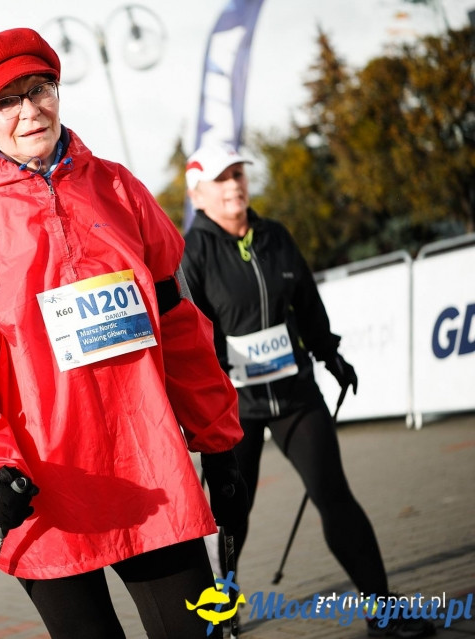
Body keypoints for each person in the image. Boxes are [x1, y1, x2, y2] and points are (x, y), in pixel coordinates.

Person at [0, 28, 245, 639]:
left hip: (148, 471)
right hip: (41, 495)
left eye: (39, 89)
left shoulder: (118, 189)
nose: (29, 111)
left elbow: (177, 324)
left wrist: (218, 437)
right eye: (5, 101)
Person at [181, 143, 436, 638]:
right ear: (198, 194)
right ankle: (222, 612)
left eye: (238, 174)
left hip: (295, 394)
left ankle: (383, 612)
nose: (234, 184)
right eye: (221, 177)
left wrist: (329, 354)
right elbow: (191, 333)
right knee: (232, 515)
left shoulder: (274, 236)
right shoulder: (193, 252)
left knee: (334, 496)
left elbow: (307, 303)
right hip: (234, 408)